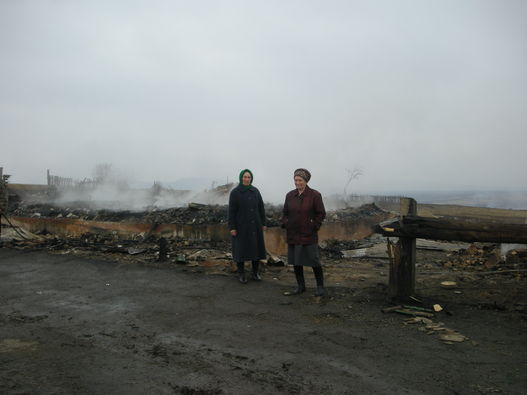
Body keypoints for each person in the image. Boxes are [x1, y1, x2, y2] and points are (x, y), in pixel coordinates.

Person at [282, 168, 326, 296]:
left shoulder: (315, 195)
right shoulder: (290, 195)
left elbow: (321, 213)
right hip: (293, 233)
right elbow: (285, 212)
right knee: (296, 261)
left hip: (308, 234)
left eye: (300, 180)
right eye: (295, 180)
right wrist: (286, 223)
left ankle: (320, 287)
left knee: (314, 260)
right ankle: (300, 286)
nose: (297, 183)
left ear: (306, 181)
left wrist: (314, 225)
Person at [228, 169, 267, 284]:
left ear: (251, 178)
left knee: (256, 249)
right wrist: (232, 227)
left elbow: (261, 208)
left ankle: (255, 273)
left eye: (249, 177)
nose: (247, 179)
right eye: (245, 177)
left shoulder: (255, 191)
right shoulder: (235, 192)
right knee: (241, 251)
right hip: (241, 226)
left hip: (255, 225)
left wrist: (263, 223)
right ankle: (241, 274)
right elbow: (231, 211)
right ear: (241, 178)